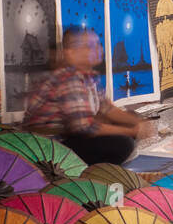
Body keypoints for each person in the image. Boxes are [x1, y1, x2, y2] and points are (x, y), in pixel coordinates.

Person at [25, 27, 154, 165]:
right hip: (49, 147)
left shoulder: (89, 76)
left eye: (98, 44)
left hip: (70, 136)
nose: (98, 49)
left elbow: (107, 109)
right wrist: (131, 131)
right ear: (70, 53)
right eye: (90, 46)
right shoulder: (68, 78)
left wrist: (138, 123)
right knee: (123, 143)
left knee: (129, 120)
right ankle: (84, 174)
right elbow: (84, 127)